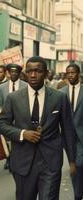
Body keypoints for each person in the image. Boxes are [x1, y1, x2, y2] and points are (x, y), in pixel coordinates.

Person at [0, 56, 76, 200]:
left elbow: (68, 129)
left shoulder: (59, 98)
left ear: (45, 73)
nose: (33, 75)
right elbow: (1, 124)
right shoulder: (14, 98)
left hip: (50, 162)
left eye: (38, 71)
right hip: (23, 162)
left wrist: (72, 160)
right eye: (30, 71)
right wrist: (22, 133)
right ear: (25, 73)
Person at [0, 63, 28, 170]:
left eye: (16, 72)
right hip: (8, 119)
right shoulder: (2, 87)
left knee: (20, 140)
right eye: (11, 72)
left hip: (22, 118)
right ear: (8, 73)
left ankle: (19, 160)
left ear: (19, 73)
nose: (14, 74)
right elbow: (0, 103)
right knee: (8, 141)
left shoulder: (25, 85)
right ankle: (9, 159)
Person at [60, 63, 83, 200]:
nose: (70, 75)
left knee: (79, 164)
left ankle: (78, 195)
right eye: (68, 73)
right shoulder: (61, 93)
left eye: (73, 72)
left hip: (81, 135)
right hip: (67, 137)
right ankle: (78, 193)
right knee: (73, 165)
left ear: (78, 73)